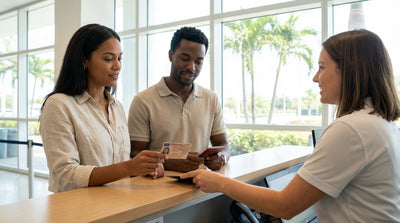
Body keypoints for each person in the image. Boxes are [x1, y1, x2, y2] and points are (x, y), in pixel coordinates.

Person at [182, 29, 400, 222]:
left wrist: (219, 183)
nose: (316, 78)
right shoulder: (381, 123)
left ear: (350, 71)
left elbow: (285, 206)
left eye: (322, 67)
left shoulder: (351, 129)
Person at [40, 24, 166, 193]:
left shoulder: (116, 106)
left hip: (119, 203)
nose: (117, 66)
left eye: (119, 58)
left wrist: (146, 168)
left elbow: (118, 160)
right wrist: (130, 167)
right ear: (84, 60)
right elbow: (65, 176)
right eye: (108, 59)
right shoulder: (59, 105)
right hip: (79, 211)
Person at [128, 27, 230, 172]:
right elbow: (135, 154)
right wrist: (171, 164)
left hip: (201, 186)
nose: (191, 67)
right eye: (185, 58)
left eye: (198, 61)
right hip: (157, 188)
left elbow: (224, 145)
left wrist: (222, 157)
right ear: (171, 55)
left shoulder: (211, 99)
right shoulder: (143, 101)